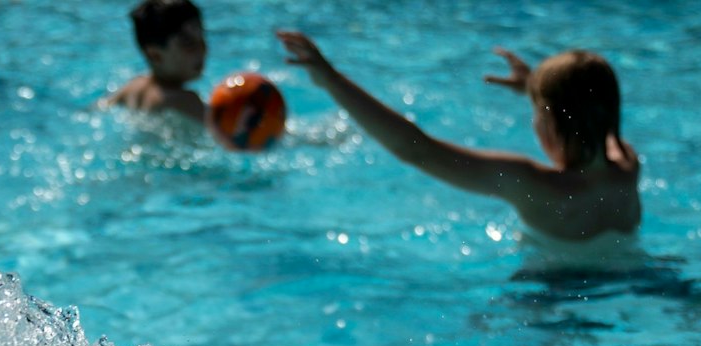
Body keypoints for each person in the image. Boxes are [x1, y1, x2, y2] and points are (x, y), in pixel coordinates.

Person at [274, 31, 640, 243]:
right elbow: (595, 114)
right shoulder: (627, 166)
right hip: (636, 280)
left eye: (537, 113)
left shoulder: (532, 184)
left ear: (549, 121)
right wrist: (538, 89)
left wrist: (331, 80)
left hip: (552, 295)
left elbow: (416, 149)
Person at [101, 0, 208, 123]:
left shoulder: (132, 88)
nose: (202, 48)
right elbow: (224, 129)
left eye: (202, 37)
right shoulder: (186, 101)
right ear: (155, 55)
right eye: (189, 43)